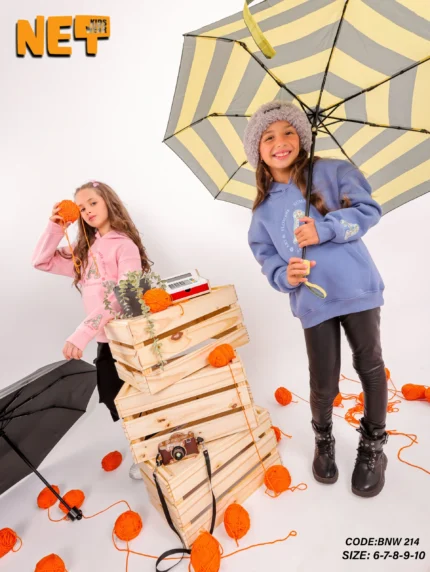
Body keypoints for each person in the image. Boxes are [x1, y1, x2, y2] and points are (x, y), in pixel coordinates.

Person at [244, 100, 388, 498]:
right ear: (258, 151)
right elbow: (266, 257)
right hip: (313, 301)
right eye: (269, 137)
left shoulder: (333, 171)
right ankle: (323, 439)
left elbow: (369, 209)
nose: (280, 142)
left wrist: (325, 229)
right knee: (323, 381)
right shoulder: (262, 212)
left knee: (370, 365)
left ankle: (373, 446)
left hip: (357, 288)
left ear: (303, 138)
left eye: (289, 132)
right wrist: (284, 275)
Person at [32, 180, 151, 480]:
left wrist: (82, 332)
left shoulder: (124, 245)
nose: (87, 211)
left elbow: (122, 296)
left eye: (93, 203)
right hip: (105, 340)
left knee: (138, 398)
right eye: (81, 208)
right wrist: (56, 227)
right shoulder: (84, 250)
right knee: (113, 397)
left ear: (109, 202)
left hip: (129, 338)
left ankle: (152, 451)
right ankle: (146, 448)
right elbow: (41, 261)